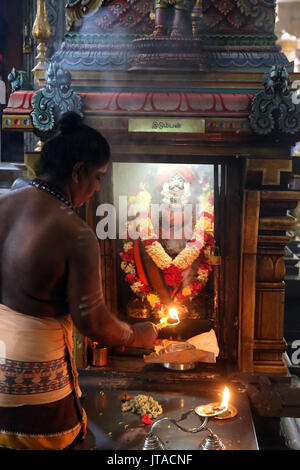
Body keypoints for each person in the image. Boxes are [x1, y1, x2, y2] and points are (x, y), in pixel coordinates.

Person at [0, 111, 158, 450]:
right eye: (98, 176)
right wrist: (135, 334)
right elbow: (93, 321)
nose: (98, 186)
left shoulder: (3, 203)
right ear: (78, 172)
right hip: (38, 391)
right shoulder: (76, 234)